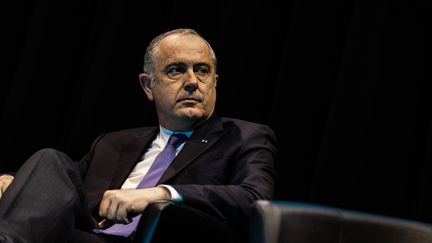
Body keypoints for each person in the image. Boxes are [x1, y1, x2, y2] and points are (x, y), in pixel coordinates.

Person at [0, 28, 277, 243]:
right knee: (50, 160)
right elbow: (60, 186)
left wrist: (160, 194)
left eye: (202, 70)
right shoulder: (112, 143)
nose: (192, 81)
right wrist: (19, 184)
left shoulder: (244, 137)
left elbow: (255, 199)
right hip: (84, 234)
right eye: (176, 70)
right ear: (148, 86)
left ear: (214, 82)